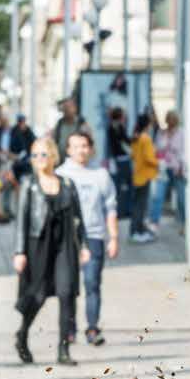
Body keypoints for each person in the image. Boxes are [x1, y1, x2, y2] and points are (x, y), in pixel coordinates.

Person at [13, 137, 90, 366]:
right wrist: (19, 252)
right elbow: (21, 220)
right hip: (38, 244)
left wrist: (84, 246)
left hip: (65, 244)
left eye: (43, 154)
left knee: (67, 293)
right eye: (34, 155)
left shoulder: (67, 184)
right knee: (37, 295)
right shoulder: (29, 183)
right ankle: (23, 334)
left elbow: (78, 219)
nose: (38, 159)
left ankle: (63, 349)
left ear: (54, 156)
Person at [58, 130, 119, 346]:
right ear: (68, 150)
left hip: (94, 236)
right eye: (76, 146)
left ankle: (92, 328)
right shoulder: (61, 174)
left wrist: (113, 237)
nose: (81, 150)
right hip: (67, 239)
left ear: (91, 148)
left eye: (85, 146)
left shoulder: (100, 175)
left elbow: (110, 207)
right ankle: (69, 329)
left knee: (92, 283)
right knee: (68, 286)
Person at [148, 110, 186, 233]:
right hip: (163, 168)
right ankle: (154, 222)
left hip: (177, 168)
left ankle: (185, 223)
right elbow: (156, 149)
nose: (170, 121)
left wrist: (182, 166)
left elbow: (184, 151)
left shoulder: (182, 133)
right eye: (168, 119)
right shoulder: (161, 133)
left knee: (181, 198)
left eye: (172, 119)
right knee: (158, 196)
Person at [130, 112, 159, 243]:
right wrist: (158, 162)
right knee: (141, 206)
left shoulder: (136, 137)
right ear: (147, 125)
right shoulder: (145, 138)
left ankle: (135, 230)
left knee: (137, 205)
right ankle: (137, 232)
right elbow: (149, 158)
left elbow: (133, 155)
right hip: (145, 175)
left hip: (137, 175)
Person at [107, 105, 132, 219]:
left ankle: (120, 211)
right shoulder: (118, 127)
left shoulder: (111, 127)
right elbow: (125, 141)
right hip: (122, 159)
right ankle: (124, 210)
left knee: (118, 186)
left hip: (117, 159)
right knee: (125, 185)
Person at [52, 96, 90, 163]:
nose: (67, 110)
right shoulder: (60, 123)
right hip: (61, 162)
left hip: (77, 162)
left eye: (69, 107)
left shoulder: (81, 123)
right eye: (65, 108)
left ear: (75, 108)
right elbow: (54, 141)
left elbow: (89, 142)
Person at [10, 113, 36, 181]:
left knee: (27, 179)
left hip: (27, 161)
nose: (21, 124)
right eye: (20, 122)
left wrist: (31, 156)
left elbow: (35, 144)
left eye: (23, 121)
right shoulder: (14, 131)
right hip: (16, 160)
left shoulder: (29, 131)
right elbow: (11, 146)